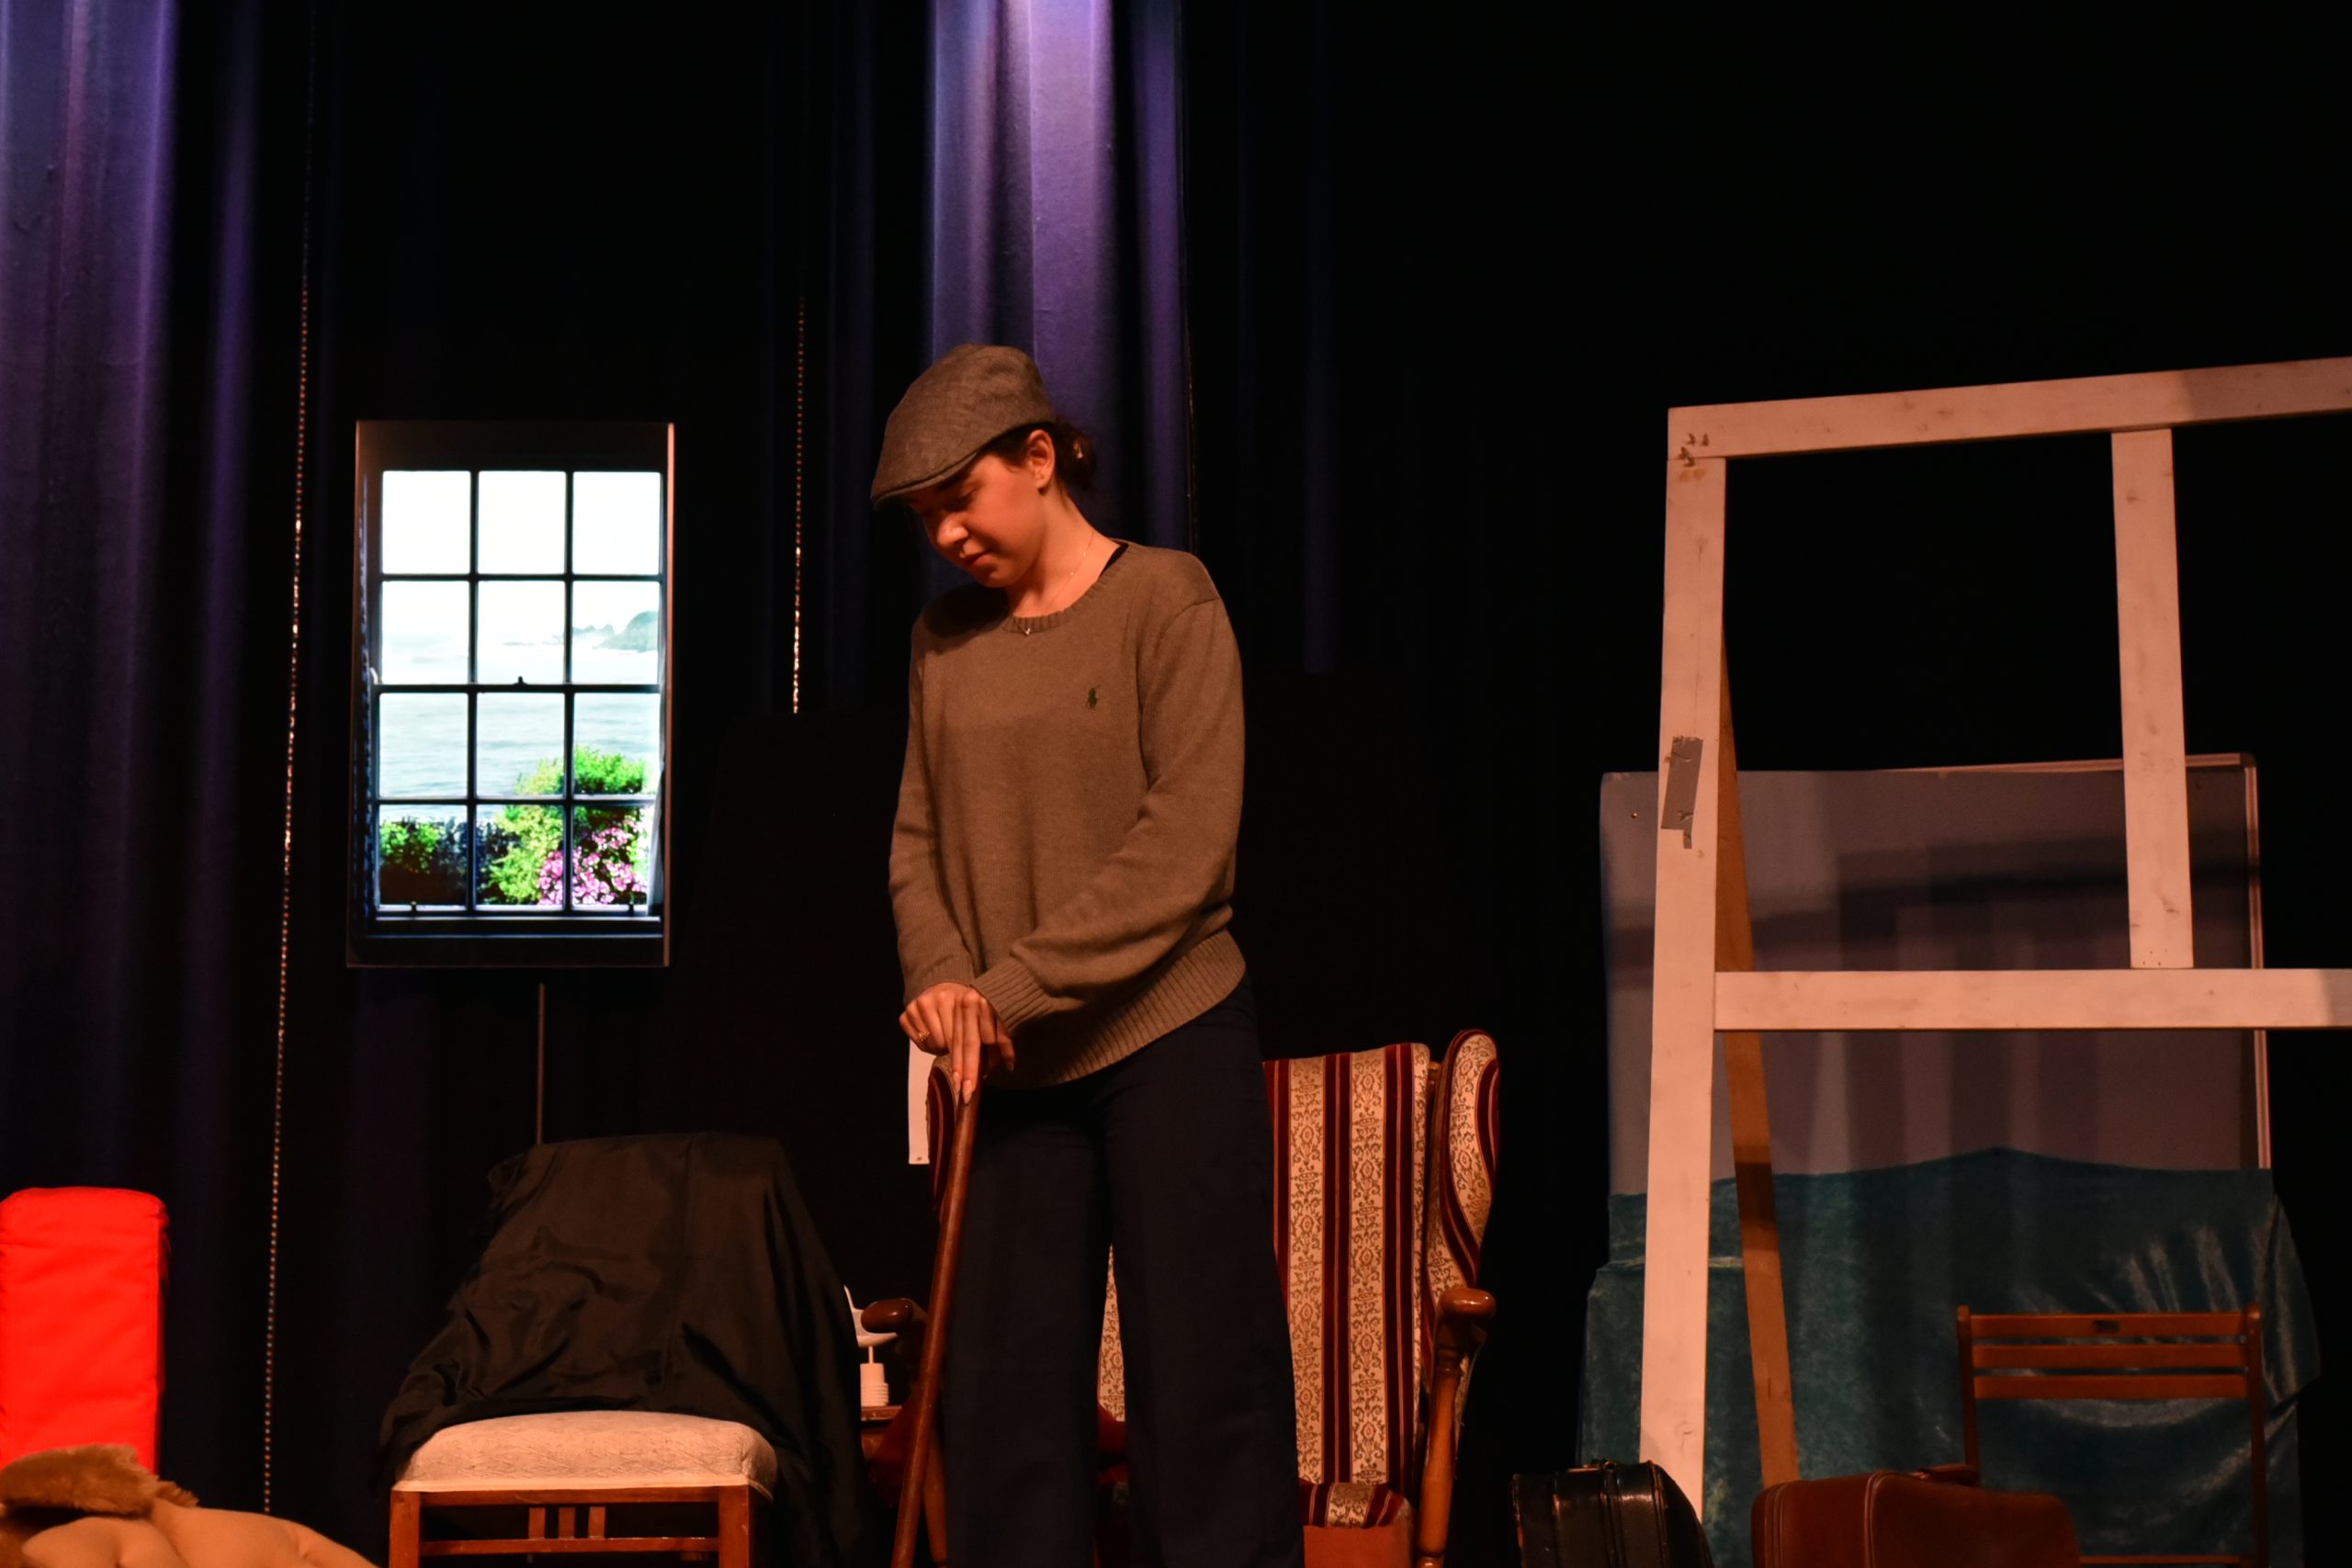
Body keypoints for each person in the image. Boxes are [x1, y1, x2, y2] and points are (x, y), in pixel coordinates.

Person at [876, 344, 1303, 1567]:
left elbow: (1186, 851)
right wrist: (940, 978)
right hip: (1013, 1068)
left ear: (1039, 457)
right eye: (925, 517)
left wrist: (1003, 987)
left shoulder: (1167, 600)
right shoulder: (943, 641)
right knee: (1003, 1401)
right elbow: (917, 841)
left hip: (1169, 1036)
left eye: (961, 499)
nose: (946, 535)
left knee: (1203, 1382)